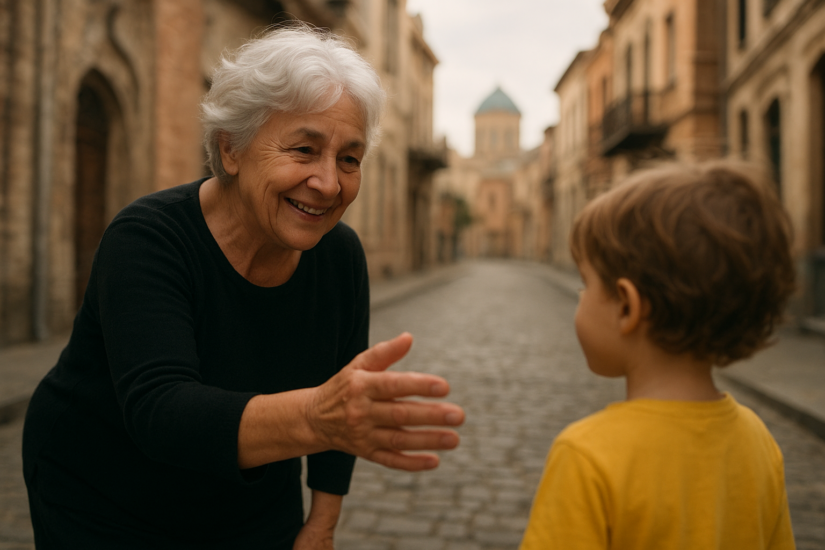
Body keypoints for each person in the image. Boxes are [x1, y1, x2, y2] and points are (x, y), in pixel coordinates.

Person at [22, 26, 464, 550]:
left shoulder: (340, 255)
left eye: (350, 158)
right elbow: (161, 412)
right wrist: (317, 416)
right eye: (303, 149)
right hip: (107, 497)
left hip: (252, 495)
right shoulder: (147, 238)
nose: (329, 182)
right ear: (231, 150)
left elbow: (341, 402)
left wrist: (321, 525)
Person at [519, 160, 797, 549]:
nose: (579, 299)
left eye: (586, 284)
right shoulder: (759, 441)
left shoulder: (587, 456)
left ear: (627, 308)